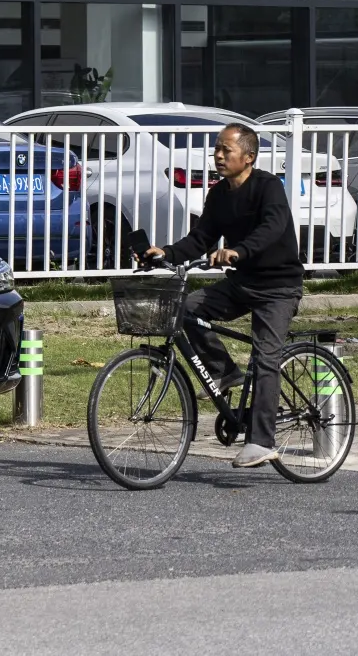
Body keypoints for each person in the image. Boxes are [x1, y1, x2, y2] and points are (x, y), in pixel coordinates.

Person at [140, 122, 302, 468]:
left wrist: (239, 251)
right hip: (242, 283)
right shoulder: (219, 193)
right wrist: (165, 253)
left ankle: (261, 442)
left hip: (278, 287)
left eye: (226, 150)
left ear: (249, 157)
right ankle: (226, 373)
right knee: (186, 309)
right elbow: (201, 238)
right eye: (217, 149)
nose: (218, 155)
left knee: (266, 357)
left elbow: (273, 227)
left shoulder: (268, 187)